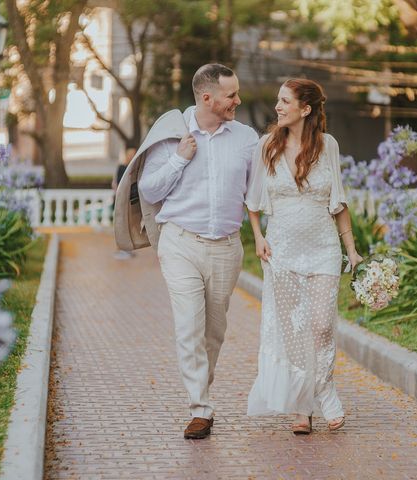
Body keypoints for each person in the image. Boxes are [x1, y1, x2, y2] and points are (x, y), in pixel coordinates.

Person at [137, 64, 259, 439]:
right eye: (231, 95)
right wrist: (179, 159)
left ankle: (201, 393)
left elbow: (257, 194)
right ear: (207, 98)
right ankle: (200, 408)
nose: (238, 100)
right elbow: (149, 190)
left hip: (226, 247)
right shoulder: (171, 134)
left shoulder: (246, 138)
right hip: (180, 243)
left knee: (214, 331)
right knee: (189, 325)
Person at [245, 78, 363, 434]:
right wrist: (258, 238)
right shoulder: (267, 146)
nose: (278, 107)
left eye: (285, 101)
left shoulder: (328, 147)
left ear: (305, 109)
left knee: (322, 325)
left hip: (323, 248)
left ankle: (323, 387)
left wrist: (352, 250)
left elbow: (338, 202)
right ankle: (303, 408)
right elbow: (252, 202)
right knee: (294, 332)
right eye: (278, 100)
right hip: (281, 250)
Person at [112, 147, 137, 260]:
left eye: (134, 154)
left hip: (131, 201)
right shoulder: (122, 167)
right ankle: (121, 249)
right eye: (130, 154)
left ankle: (128, 249)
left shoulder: (135, 168)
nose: (132, 156)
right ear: (126, 155)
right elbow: (117, 185)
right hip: (122, 201)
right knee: (121, 226)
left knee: (129, 227)